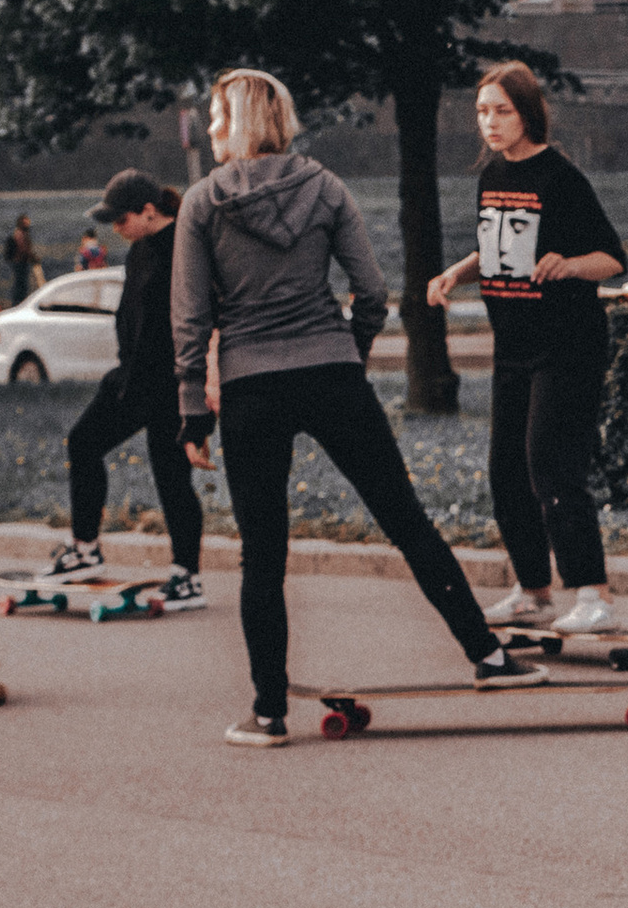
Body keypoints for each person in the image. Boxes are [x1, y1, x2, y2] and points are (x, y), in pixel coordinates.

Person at [171, 68, 524, 747]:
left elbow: (190, 321)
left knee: (263, 553)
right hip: (332, 373)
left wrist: (194, 410)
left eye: (217, 118)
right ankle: (488, 655)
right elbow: (372, 290)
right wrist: (348, 355)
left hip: (251, 386)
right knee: (405, 518)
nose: (211, 131)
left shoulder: (203, 203)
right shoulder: (325, 186)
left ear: (239, 124)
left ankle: (269, 713)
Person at [424, 64, 628, 634]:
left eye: (502, 111)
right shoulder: (492, 174)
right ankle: (533, 593)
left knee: (551, 466)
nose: (490, 123)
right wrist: (457, 273)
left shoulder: (560, 178)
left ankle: (594, 595)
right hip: (513, 345)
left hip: (567, 344)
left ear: (527, 114)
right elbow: (496, 247)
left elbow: (612, 258)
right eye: (482, 112)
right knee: (507, 472)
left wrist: (570, 265)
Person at [34, 169, 207, 611]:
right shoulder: (138, 251)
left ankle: (187, 576)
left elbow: (201, 318)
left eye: (121, 219)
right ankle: (85, 550)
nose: (115, 228)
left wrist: (199, 390)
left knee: (172, 476)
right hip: (131, 378)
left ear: (149, 211)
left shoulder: (186, 249)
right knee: (83, 442)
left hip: (170, 383)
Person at [2, 212, 41, 306]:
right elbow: (23, 249)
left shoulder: (21, 233)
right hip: (20, 263)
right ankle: (19, 304)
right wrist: (33, 258)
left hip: (20, 262)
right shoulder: (20, 234)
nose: (28, 224)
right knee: (21, 285)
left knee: (20, 285)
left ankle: (18, 303)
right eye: (26, 222)